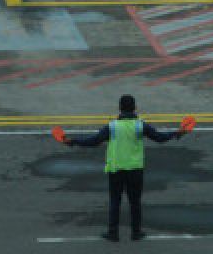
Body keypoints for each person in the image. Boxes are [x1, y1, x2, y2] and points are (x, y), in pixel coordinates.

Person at [58, 95, 192, 242]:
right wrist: (177, 133)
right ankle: (136, 233)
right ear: (135, 107)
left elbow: (93, 141)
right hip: (135, 169)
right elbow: (159, 137)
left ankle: (113, 233)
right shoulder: (140, 125)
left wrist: (73, 141)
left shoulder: (112, 126)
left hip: (116, 169)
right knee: (135, 202)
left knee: (115, 201)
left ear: (120, 108)